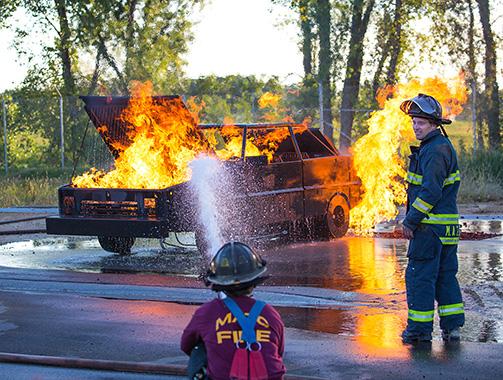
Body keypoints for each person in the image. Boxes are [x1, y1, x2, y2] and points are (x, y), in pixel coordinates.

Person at [400, 93, 465, 344]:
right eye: (414, 122)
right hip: (446, 229)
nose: (416, 126)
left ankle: (418, 331)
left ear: (434, 124)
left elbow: (430, 192)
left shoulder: (434, 150)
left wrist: (410, 221)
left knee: (420, 277)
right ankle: (452, 328)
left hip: (429, 230)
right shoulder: (440, 147)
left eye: (421, 123)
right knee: (445, 277)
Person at [181, 241, 286, 380]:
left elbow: (186, 345)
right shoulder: (269, 313)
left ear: (217, 280)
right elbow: (279, 351)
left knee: (199, 348)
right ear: (255, 278)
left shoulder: (206, 313)